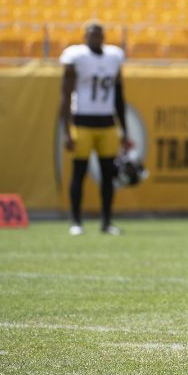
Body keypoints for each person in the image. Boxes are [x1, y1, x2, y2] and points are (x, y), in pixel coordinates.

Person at [59, 21, 130, 236]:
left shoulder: (114, 57)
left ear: (104, 36)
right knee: (79, 173)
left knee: (108, 175)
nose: (95, 38)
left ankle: (106, 222)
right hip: (82, 122)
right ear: (84, 37)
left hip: (107, 123)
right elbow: (65, 94)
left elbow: (119, 94)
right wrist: (66, 130)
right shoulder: (76, 57)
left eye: (98, 34)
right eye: (91, 35)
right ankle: (76, 221)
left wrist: (124, 128)